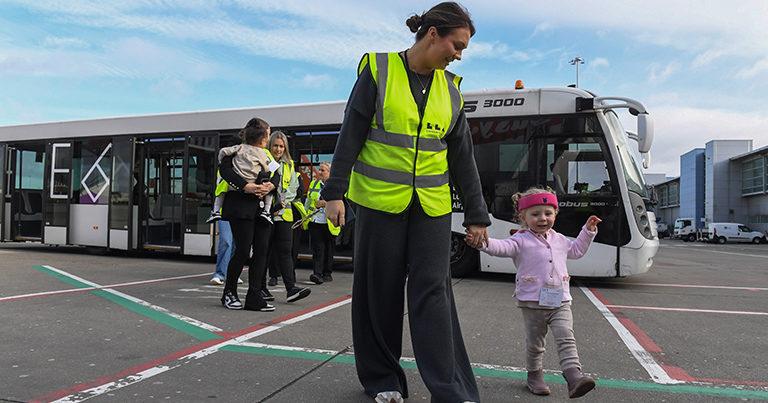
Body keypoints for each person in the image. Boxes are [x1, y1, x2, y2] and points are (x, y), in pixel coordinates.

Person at [322, 3, 489, 402]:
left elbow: (463, 157)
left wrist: (477, 215)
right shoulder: (378, 71)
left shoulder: (451, 89)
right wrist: (334, 193)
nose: (458, 55)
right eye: (457, 44)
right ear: (433, 34)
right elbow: (351, 135)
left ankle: (449, 388)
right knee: (379, 290)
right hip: (380, 204)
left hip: (431, 207)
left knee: (433, 293)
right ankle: (382, 381)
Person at [465, 187, 601, 398]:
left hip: (560, 300)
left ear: (555, 214)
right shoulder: (520, 240)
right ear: (523, 217)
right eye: (535, 214)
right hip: (532, 302)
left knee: (566, 336)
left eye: (548, 213)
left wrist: (588, 231)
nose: (542, 218)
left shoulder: (560, 239)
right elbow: (500, 247)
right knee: (536, 344)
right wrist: (482, 242)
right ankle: (534, 375)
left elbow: (576, 251)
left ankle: (574, 376)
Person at [219, 118, 280, 312]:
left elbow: (276, 174)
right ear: (260, 135)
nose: (268, 138)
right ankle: (229, 293)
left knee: (262, 251)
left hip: (262, 209)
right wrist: (246, 186)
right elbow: (225, 171)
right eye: (268, 134)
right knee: (243, 250)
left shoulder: (267, 155)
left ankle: (254, 296)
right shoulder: (236, 150)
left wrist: (272, 185)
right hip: (240, 206)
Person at [262, 130, 311, 303]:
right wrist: (272, 206)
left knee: (285, 252)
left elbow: (293, 188)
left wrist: (281, 203)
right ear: (270, 145)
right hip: (266, 213)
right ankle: (262, 288)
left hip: (284, 214)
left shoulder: (289, 164)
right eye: (275, 145)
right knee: (264, 253)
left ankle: (291, 289)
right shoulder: (263, 160)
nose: (278, 149)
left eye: (281, 146)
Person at [207, 136, 276, 224]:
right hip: (246, 196)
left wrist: (272, 184)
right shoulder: (244, 148)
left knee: (220, 193)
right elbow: (273, 168)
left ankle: (215, 211)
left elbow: (223, 153)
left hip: (245, 193)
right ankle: (266, 211)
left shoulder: (238, 150)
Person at [304, 162, 339, 284]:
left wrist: (326, 203)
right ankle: (317, 274)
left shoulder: (335, 185)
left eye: (323, 170)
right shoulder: (313, 184)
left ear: (330, 173)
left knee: (329, 249)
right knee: (318, 248)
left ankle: (327, 273)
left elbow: (341, 202)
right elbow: (308, 202)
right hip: (316, 221)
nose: (319, 172)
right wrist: (306, 218)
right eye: (319, 170)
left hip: (330, 222)